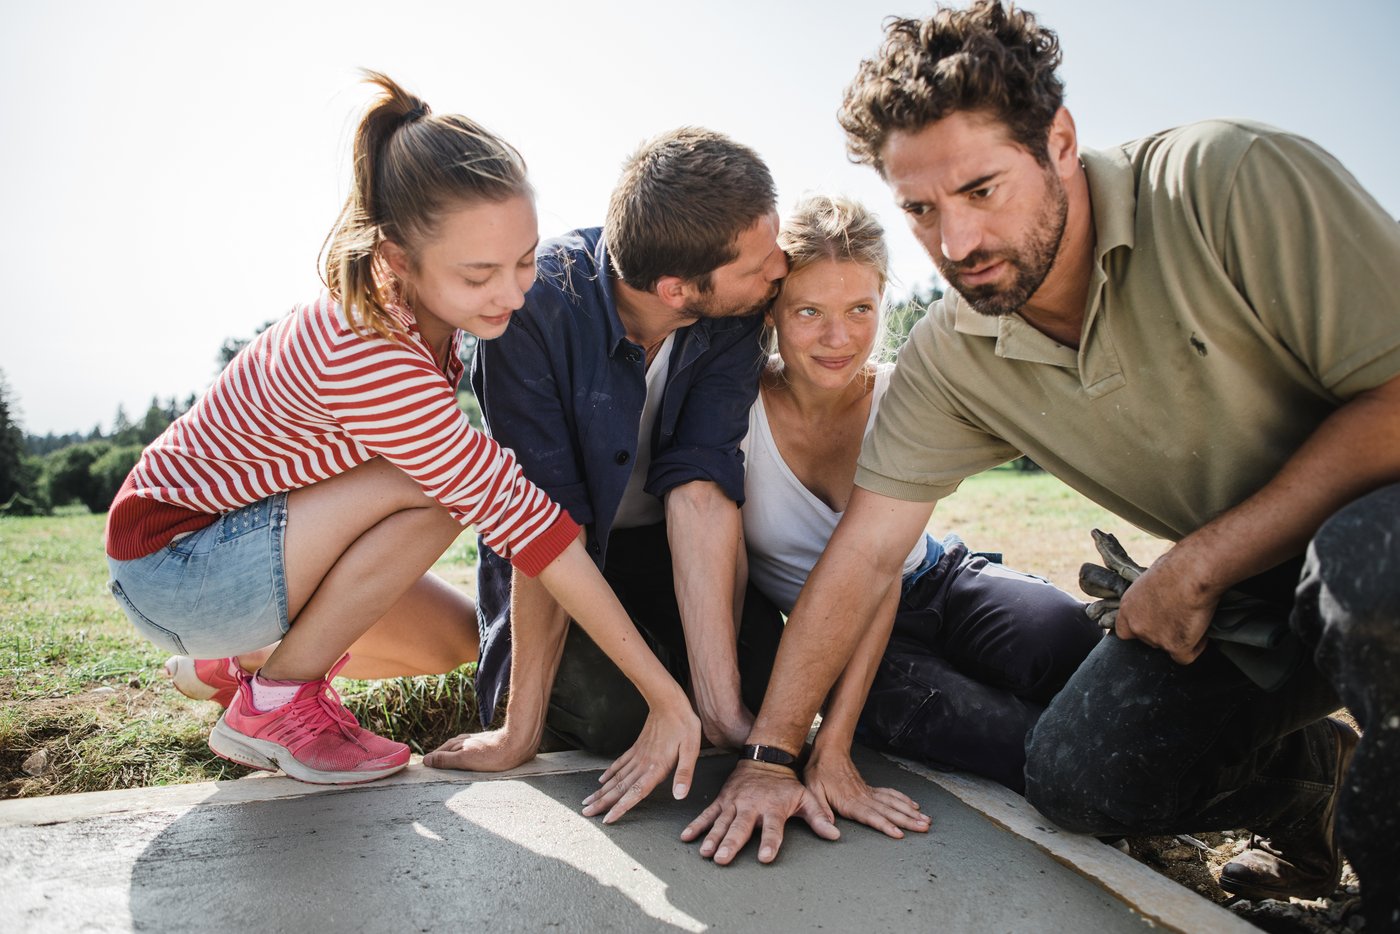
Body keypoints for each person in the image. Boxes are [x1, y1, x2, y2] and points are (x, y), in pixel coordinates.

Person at [685, 4, 1400, 928]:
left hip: (1364, 531)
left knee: (1367, 575)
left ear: (1059, 141)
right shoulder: (952, 352)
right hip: (1247, 596)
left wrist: (1199, 562)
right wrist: (773, 755)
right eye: (921, 211)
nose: (955, 245)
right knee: (1077, 781)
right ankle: (1311, 786)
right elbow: (865, 557)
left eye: (981, 189)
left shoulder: (1228, 178)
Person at [106, 74, 698, 817]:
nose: (515, 295)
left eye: (524, 261)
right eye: (479, 274)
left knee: (457, 636)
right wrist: (666, 697)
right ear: (394, 259)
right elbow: (533, 527)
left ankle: (244, 665)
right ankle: (276, 702)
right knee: (443, 487)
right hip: (175, 563)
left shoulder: (431, 321)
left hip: (253, 553)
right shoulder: (370, 347)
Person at [427, 129, 789, 809]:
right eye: (761, 261)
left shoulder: (736, 308)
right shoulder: (530, 311)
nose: (782, 267)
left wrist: (720, 708)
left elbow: (701, 490)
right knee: (613, 717)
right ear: (678, 288)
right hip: (561, 559)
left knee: (764, 687)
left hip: (668, 548)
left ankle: (699, 698)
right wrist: (517, 732)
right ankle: (541, 695)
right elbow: (542, 524)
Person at [740, 194, 1097, 825]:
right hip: (837, 636)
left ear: (883, 301)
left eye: (860, 309)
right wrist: (832, 741)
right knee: (1009, 739)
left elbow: (881, 563)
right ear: (772, 310)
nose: (838, 337)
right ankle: (1129, 785)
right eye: (808, 311)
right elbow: (856, 587)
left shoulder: (904, 395)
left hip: (937, 579)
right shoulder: (736, 413)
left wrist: (834, 746)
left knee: (1065, 637)